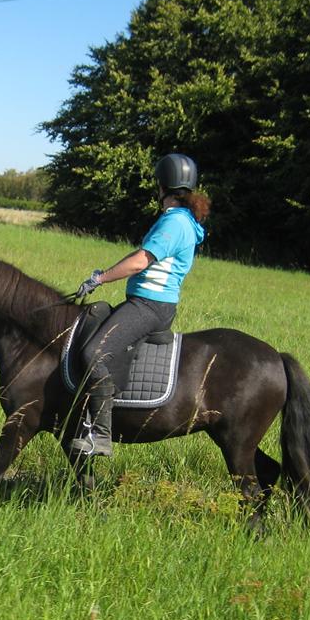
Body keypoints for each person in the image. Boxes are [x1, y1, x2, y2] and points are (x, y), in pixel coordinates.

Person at [70, 152, 210, 457]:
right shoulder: (180, 220)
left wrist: (100, 278)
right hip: (149, 303)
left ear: (161, 185)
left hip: (150, 306)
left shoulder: (174, 223)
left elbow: (139, 261)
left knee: (94, 353)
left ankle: (100, 434)